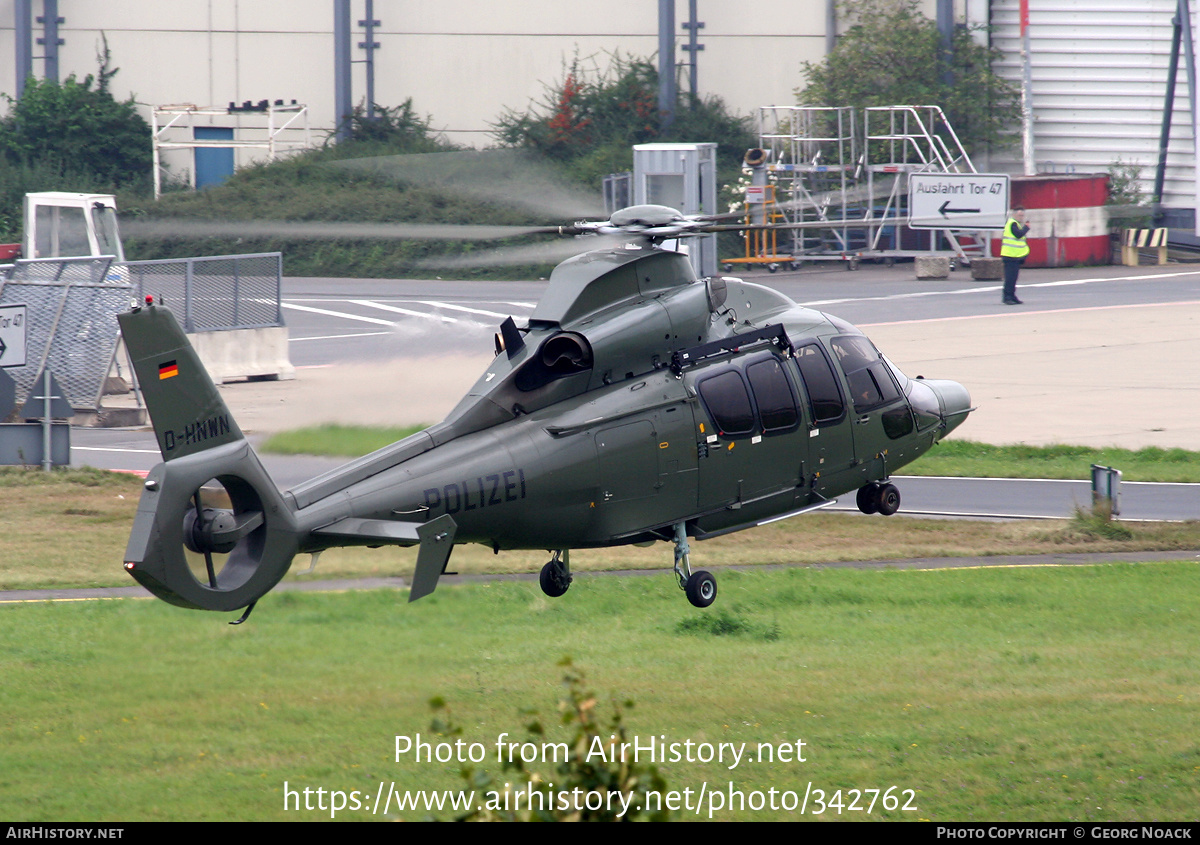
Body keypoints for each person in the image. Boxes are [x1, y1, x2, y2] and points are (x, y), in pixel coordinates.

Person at [1000, 206, 1030, 305]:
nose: (1021, 217)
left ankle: (1012, 296)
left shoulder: (1015, 223)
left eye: (1022, 215)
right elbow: (1018, 234)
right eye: (1019, 215)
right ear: (1014, 214)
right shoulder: (1012, 223)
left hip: (1015, 256)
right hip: (1010, 255)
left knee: (1013, 278)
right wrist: (1026, 228)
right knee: (1010, 278)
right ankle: (1007, 297)